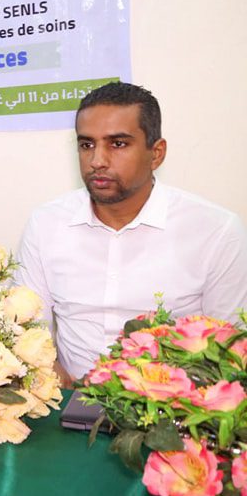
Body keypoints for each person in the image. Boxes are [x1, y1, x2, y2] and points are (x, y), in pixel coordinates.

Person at [16, 82, 247, 383]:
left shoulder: (216, 231)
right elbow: (28, 336)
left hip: (171, 404)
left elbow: (230, 352)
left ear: (156, 153)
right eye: (87, 145)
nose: (97, 161)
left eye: (118, 144)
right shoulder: (46, 224)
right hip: (68, 395)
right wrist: (67, 391)